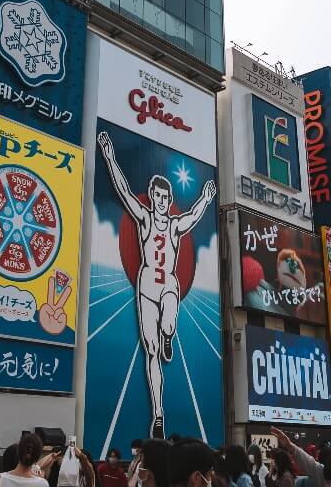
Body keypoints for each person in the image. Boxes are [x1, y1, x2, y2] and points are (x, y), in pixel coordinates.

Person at [97, 131, 217, 439]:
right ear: (152, 198)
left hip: (169, 283)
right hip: (147, 283)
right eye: (158, 198)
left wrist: (205, 197)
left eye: (166, 198)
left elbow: (193, 216)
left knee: (169, 316)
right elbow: (123, 192)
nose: (162, 202)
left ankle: (168, 334)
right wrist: (110, 157)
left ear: (170, 200)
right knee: (151, 352)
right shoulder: (146, 220)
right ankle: (159, 415)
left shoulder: (175, 225)